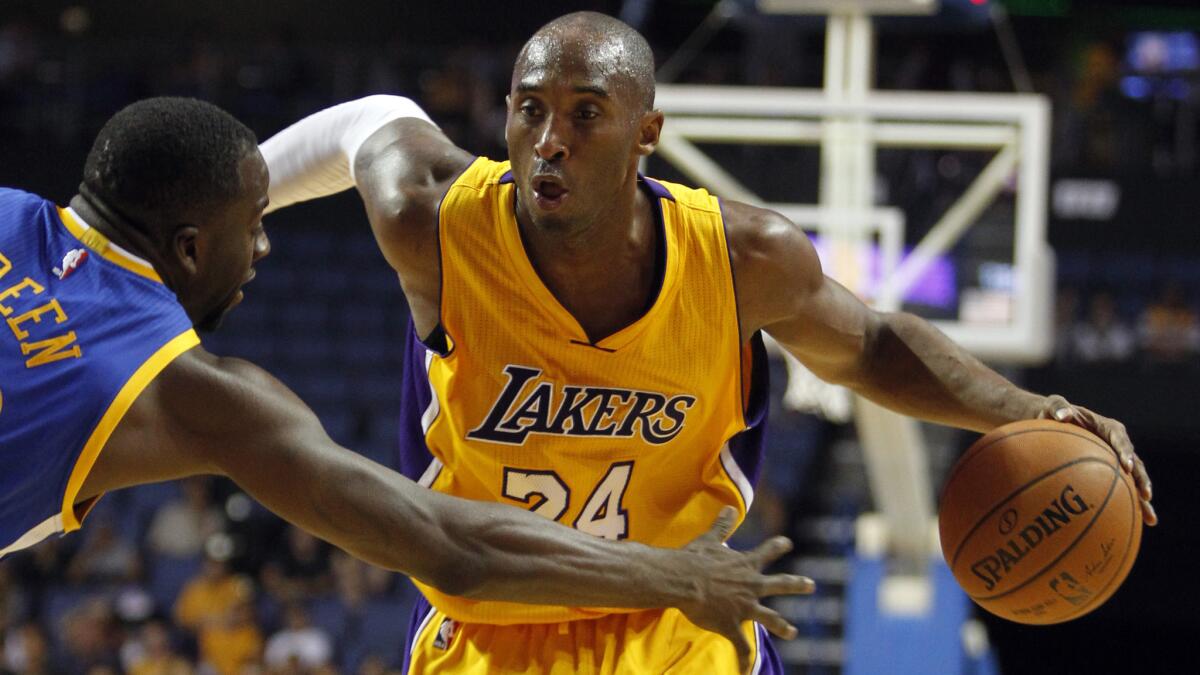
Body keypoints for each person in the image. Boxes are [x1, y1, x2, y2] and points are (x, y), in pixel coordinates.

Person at [262, 11, 1158, 674]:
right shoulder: (438, 223)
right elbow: (366, 119)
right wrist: (226, 201)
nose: (549, 143)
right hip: (494, 626)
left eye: (585, 114)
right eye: (529, 111)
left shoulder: (741, 257)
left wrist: (1031, 408)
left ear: (647, 133)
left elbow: (874, 345)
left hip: (679, 620)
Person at [0, 96, 817, 659]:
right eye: (251, 227)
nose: (263, 247)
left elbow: (373, 121)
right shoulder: (185, 396)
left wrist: (229, 195)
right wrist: (672, 574)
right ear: (186, 248)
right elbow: (449, 544)